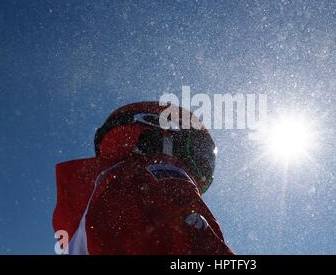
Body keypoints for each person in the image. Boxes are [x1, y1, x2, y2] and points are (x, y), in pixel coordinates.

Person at [53, 102, 233, 255]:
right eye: (199, 154)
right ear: (165, 134)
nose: (204, 171)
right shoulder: (157, 173)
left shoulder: (103, 185)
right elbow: (190, 245)